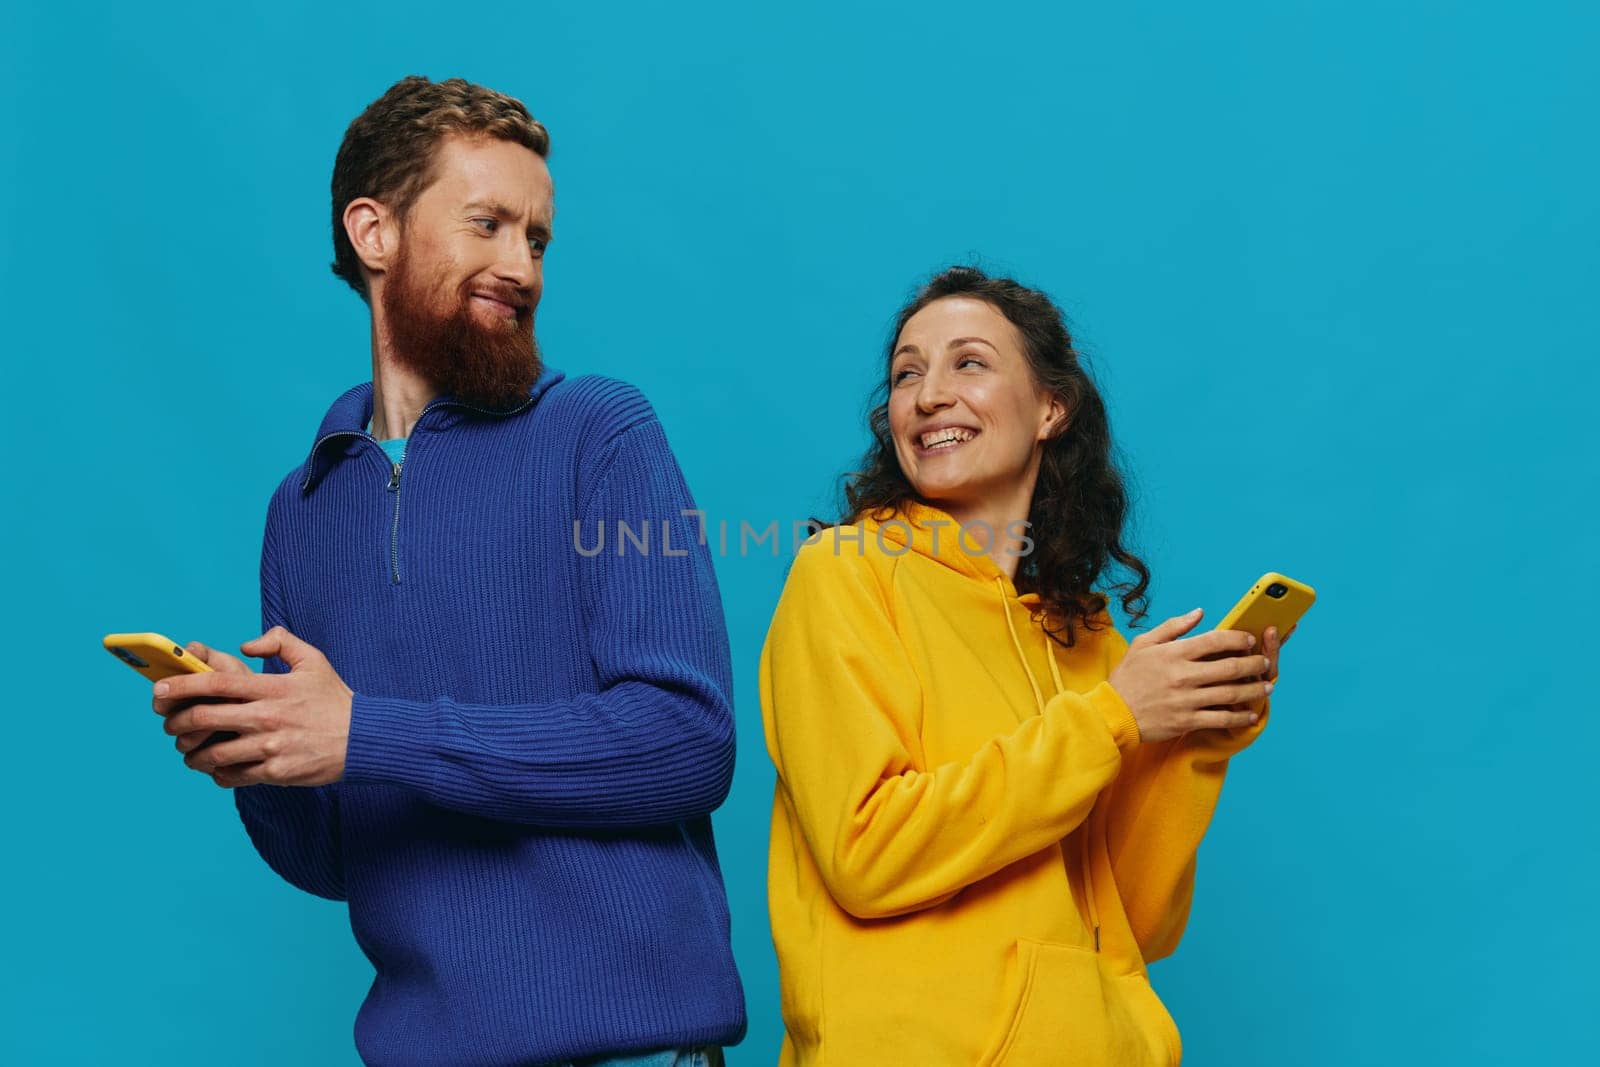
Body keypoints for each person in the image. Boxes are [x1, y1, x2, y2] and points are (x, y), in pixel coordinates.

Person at [151, 75, 742, 1067]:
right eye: (488, 224)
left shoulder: (597, 432)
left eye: (538, 237)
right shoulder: (300, 509)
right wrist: (261, 754)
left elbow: (686, 745)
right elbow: (341, 858)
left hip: (633, 1050)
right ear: (374, 233)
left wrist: (366, 728)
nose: (522, 265)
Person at [759, 266, 1289, 1065]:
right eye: (908, 372)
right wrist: (1112, 719)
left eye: (968, 362)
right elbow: (865, 852)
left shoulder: (1086, 641)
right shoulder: (846, 573)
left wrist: (1194, 738)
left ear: (1052, 406)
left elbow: (1135, 924)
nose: (929, 394)